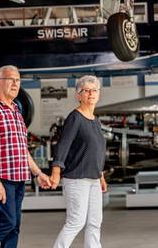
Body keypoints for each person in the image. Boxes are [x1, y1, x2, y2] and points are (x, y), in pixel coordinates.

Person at [0, 65, 51, 248]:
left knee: (14, 226)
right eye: (11, 79)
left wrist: (38, 173)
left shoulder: (16, 111)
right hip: (2, 178)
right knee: (7, 222)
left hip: (19, 178)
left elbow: (22, 149)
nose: (16, 84)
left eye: (18, 80)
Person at [50, 75, 108, 248]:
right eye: (86, 90)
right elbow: (63, 145)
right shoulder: (75, 118)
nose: (91, 94)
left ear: (98, 94)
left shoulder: (96, 122)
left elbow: (97, 151)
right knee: (76, 222)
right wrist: (56, 172)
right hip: (76, 179)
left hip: (94, 180)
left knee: (94, 223)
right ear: (78, 95)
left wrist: (101, 176)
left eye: (94, 90)